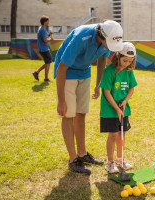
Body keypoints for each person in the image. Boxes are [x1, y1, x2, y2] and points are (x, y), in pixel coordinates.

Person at [54, 20, 123, 174]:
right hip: (67, 72)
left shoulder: (106, 40)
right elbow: (61, 68)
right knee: (68, 114)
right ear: (101, 36)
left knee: (81, 114)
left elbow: (101, 60)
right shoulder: (81, 37)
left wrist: (98, 85)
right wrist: (61, 100)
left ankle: (82, 154)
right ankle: (73, 159)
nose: (110, 48)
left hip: (84, 72)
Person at [99, 42, 138, 173]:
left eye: (130, 61)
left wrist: (126, 100)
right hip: (110, 109)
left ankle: (120, 160)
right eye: (125, 60)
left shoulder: (128, 71)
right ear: (118, 56)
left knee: (122, 134)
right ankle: (110, 162)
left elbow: (131, 88)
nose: (127, 63)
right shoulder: (109, 71)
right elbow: (106, 92)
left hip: (123, 108)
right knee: (114, 135)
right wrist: (116, 108)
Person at [33, 15, 53, 82]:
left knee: (47, 62)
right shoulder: (43, 30)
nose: (48, 23)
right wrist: (51, 39)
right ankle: (45, 78)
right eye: (48, 21)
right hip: (44, 49)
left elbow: (44, 37)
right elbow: (45, 40)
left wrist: (49, 35)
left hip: (42, 49)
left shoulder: (40, 28)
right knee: (48, 62)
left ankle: (37, 73)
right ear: (44, 22)